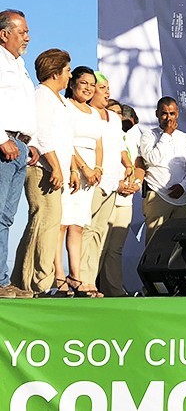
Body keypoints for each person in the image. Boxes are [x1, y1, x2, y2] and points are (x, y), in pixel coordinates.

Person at [11, 49, 73, 295]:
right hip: (42, 169)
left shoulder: (58, 99)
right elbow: (42, 136)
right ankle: (32, 282)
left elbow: (63, 138)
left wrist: (71, 168)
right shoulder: (42, 96)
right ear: (56, 72)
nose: (69, 76)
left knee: (48, 224)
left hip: (55, 169)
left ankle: (31, 280)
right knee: (43, 223)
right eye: (67, 70)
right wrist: (56, 166)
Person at [79, 72, 133, 293]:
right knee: (86, 231)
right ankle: (80, 280)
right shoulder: (87, 114)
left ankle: (90, 281)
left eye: (107, 88)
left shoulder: (113, 119)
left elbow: (120, 146)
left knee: (100, 233)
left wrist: (128, 165)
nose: (107, 92)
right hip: (92, 182)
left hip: (111, 184)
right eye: (102, 88)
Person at [0, 9, 36, 298]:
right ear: (4, 34)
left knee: (7, 217)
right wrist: (2, 138)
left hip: (19, 146)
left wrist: (30, 142)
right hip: (4, 145)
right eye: (22, 32)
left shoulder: (19, 65)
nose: (27, 37)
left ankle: (2, 280)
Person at [59, 66, 104, 297]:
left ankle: (75, 276)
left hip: (89, 177)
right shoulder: (65, 106)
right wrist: (82, 168)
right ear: (72, 83)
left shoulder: (94, 113)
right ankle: (59, 276)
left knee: (78, 225)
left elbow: (98, 144)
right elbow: (65, 141)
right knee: (62, 224)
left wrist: (97, 168)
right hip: (71, 170)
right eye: (83, 83)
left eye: (91, 84)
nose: (88, 88)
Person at [97, 102, 143, 296]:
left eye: (121, 118)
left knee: (115, 248)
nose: (118, 120)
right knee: (99, 245)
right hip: (107, 194)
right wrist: (118, 184)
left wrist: (137, 182)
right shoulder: (103, 136)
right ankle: (87, 284)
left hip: (126, 198)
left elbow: (139, 165)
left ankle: (113, 290)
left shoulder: (132, 139)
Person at [139, 96, 186, 244]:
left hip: (182, 198)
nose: (168, 118)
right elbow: (152, 159)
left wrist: (183, 186)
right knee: (155, 243)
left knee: (182, 243)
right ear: (157, 114)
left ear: (177, 114)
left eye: (172, 114)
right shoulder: (148, 135)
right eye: (164, 113)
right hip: (157, 194)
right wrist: (166, 134)